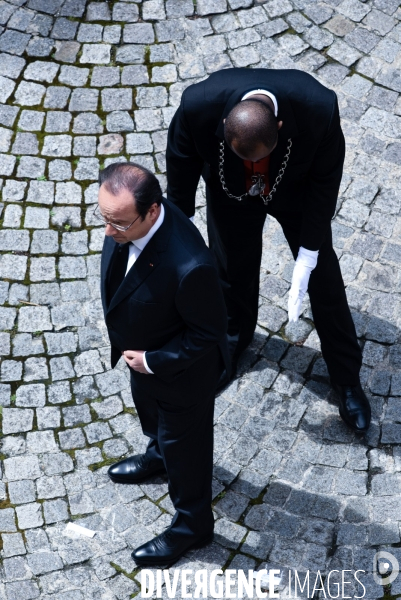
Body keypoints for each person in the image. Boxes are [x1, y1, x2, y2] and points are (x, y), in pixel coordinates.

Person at [166, 67, 370, 433]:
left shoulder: (319, 109)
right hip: (229, 193)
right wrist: (178, 237)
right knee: (231, 270)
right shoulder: (197, 106)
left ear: (279, 127)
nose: (252, 167)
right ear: (224, 123)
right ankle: (233, 342)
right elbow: (181, 168)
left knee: (323, 279)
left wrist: (307, 255)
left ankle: (346, 377)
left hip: (296, 189)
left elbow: (325, 185)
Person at [97, 162, 230, 566]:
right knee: (155, 423)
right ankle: (158, 455)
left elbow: (209, 335)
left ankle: (193, 524)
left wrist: (153, 361)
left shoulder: (191, 267)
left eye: (117, 224)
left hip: (180, 376)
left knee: (185, 448)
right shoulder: (129, 219)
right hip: (142, 356)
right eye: (103, 217)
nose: (107, 232)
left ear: (152, 212)